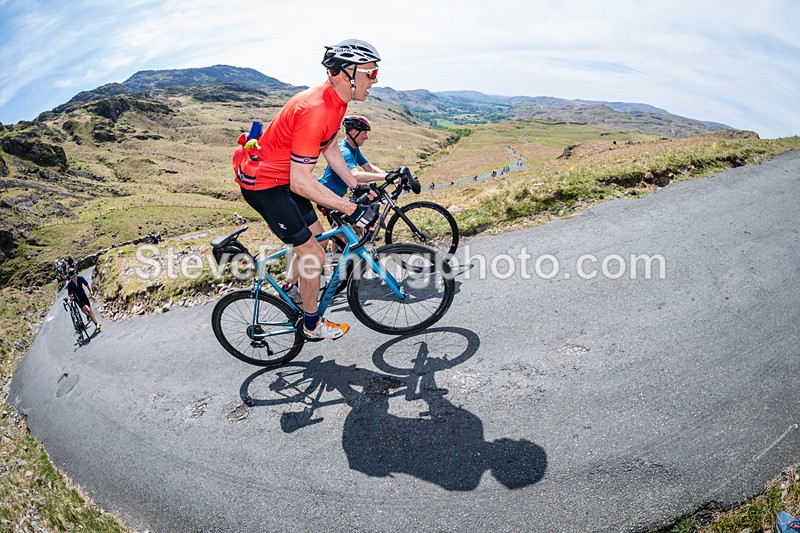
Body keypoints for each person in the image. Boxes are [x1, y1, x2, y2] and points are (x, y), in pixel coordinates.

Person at [231, 39, 381, 340]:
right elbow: (302, 182)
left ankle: (297, 292)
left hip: (283, 179)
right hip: (265, 186)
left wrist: (356, 186)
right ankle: (312, 324)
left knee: (319, 242)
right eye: (371, 73)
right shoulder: (315, 109)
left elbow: (332, 151)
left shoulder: (337, 103)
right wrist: (352, 209)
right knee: (313, 253)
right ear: (347, 73)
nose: (375, 80)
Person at [318, 115, 387, 197]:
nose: (366, 137)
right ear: (354, 133)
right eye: (364, 133)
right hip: (327, 196)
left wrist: (390, 176)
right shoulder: (345, 151)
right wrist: (385, 177)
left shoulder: (353, 148)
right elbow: (354, 175)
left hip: (335, 195)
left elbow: (369, 167)